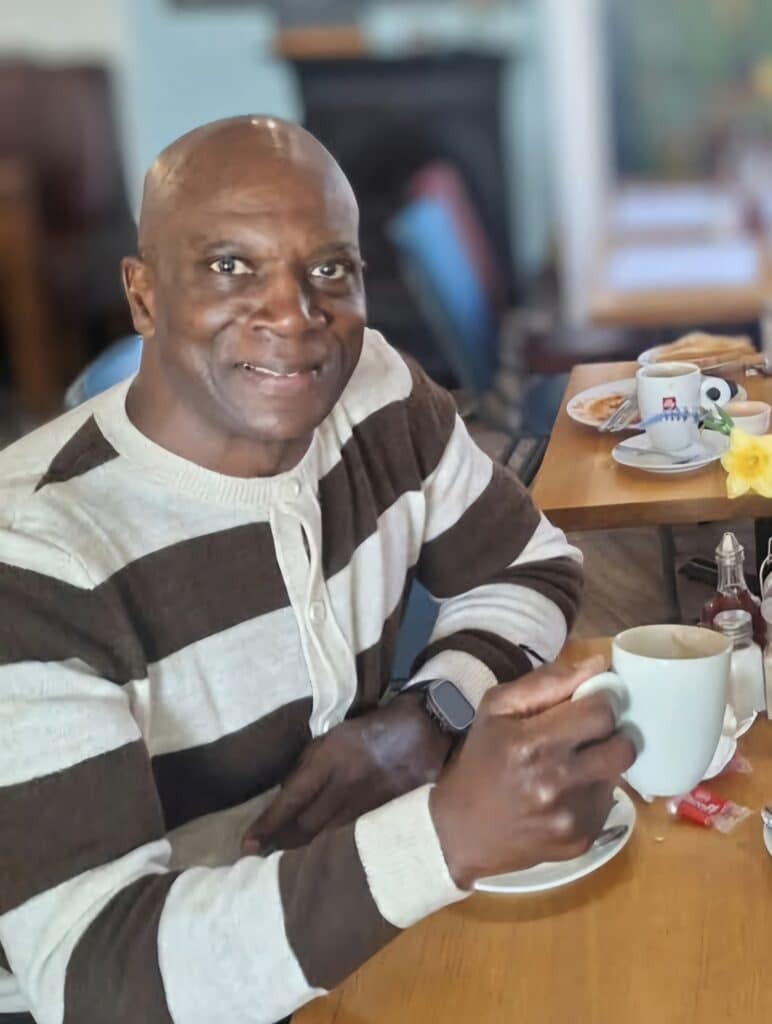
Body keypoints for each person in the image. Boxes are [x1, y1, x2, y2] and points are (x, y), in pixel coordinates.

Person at [0, 117, 634, 1024]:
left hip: (372, 934)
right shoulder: (35, 558)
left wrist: (430, 713)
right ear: (142, 297)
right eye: (229, 266)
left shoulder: (375, 388)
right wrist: (447, 831)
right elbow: (97, 974)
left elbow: (532, 567)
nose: (296, 315)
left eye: (329, 268)